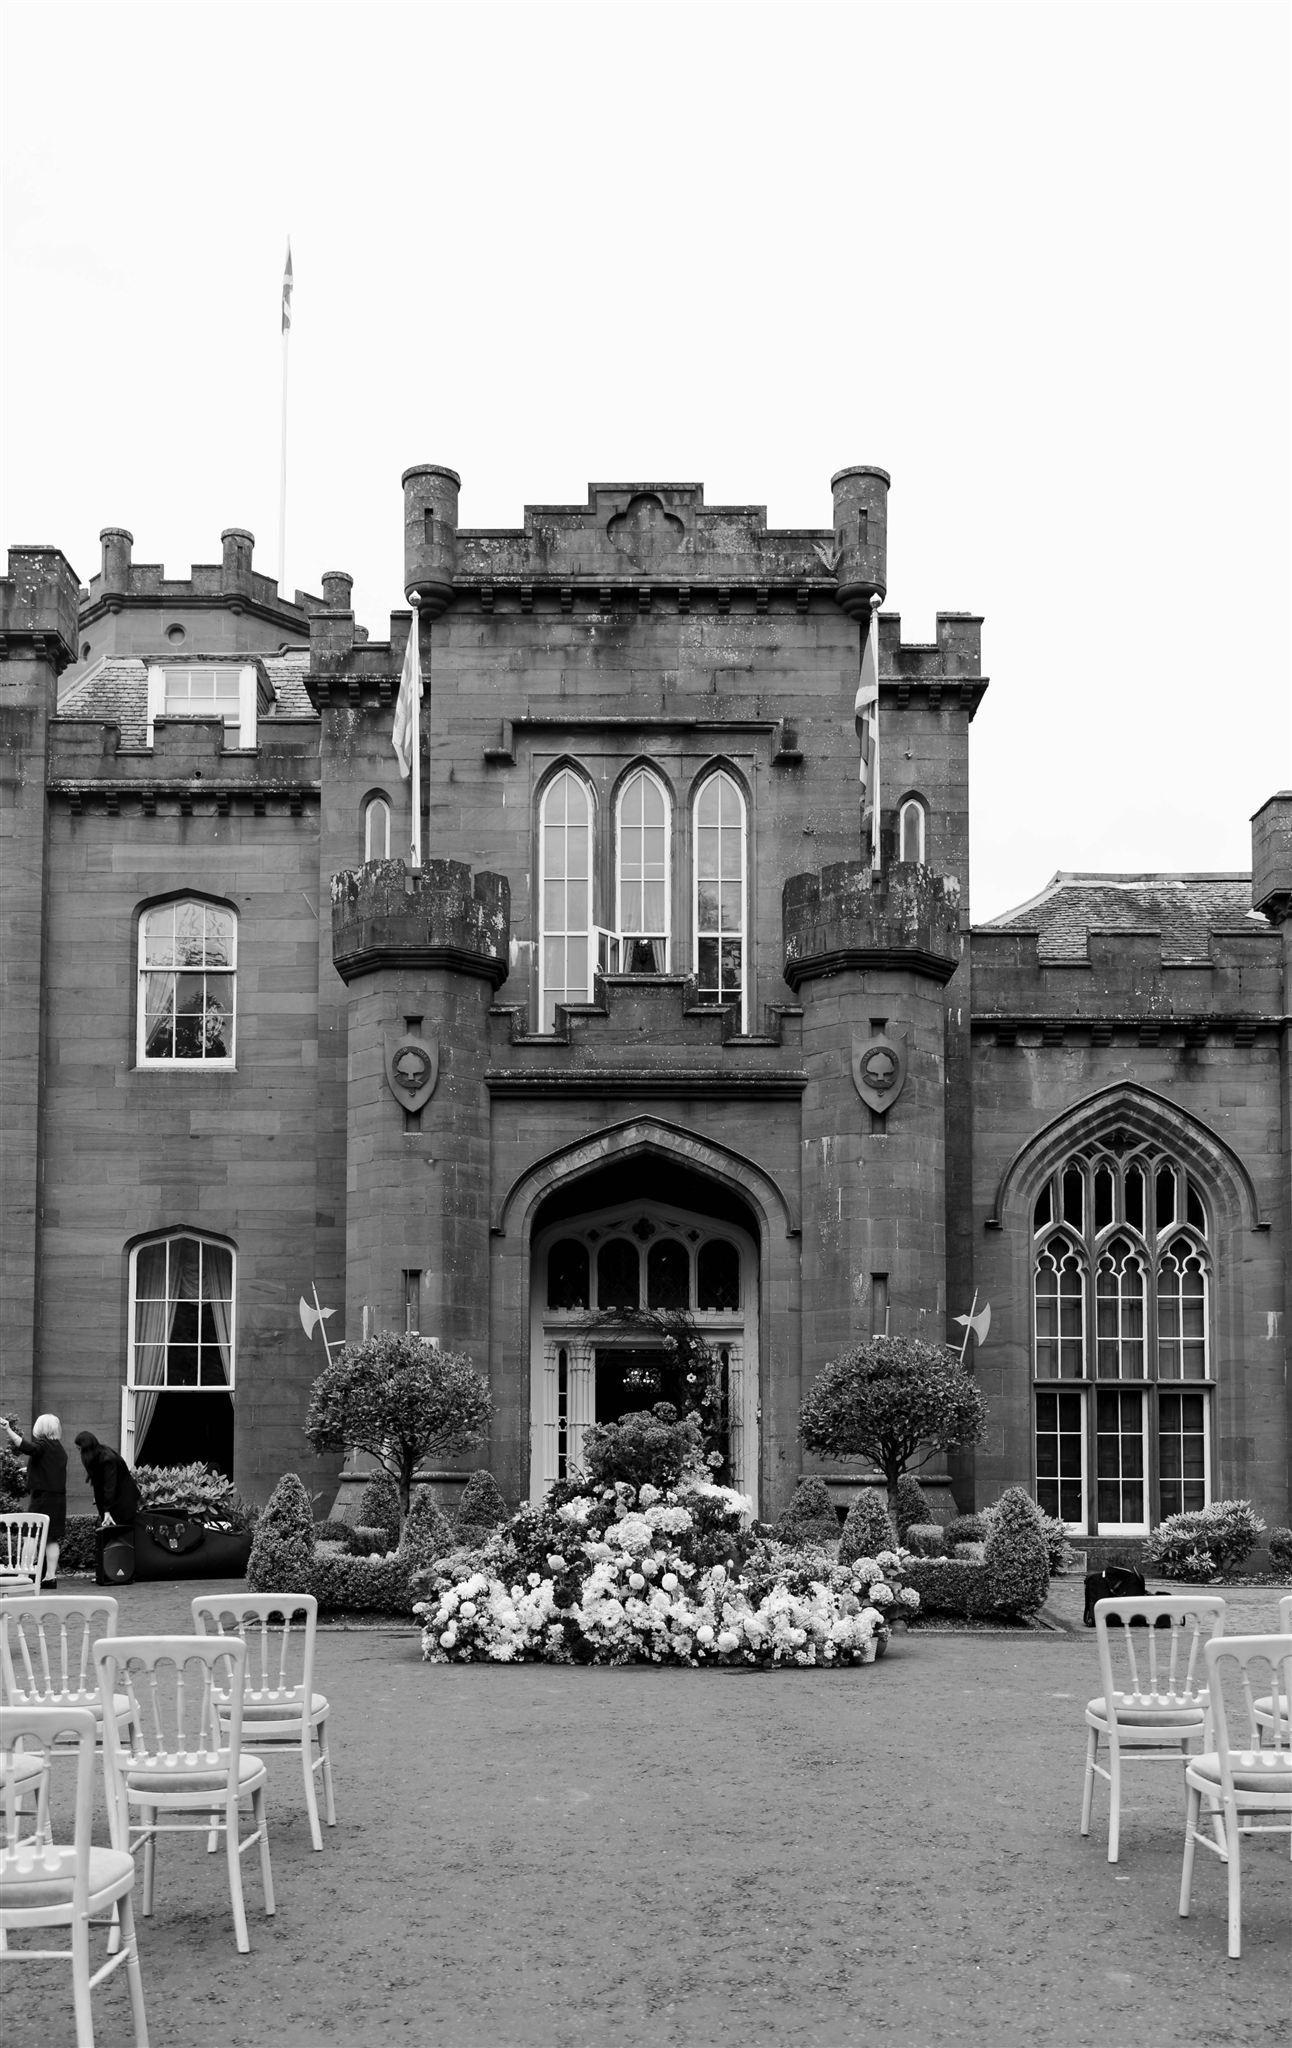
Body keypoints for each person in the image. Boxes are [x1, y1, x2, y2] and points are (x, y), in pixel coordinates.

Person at [4, 1413, 68, 1587]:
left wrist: (8, 1430)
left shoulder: (43, 1445)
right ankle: (50, 1577)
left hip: (42, 1498)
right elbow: (49, 1469)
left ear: (41, 1428)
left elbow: (27, 1447)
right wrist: (30, 1471)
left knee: (30, 1535)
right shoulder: (59, 1449)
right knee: (51, 1538)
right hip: (58, 1498)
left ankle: (24, 1575)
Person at [73, 1430, 140, 1533]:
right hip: (118, 1499)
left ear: (86, 1449)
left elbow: (110, 1486)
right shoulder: (100, 1455)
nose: (80, 1454)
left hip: (123, 1501)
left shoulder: (107, 1459)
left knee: (120, 1534)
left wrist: (107, 1510)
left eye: (80, 1449)